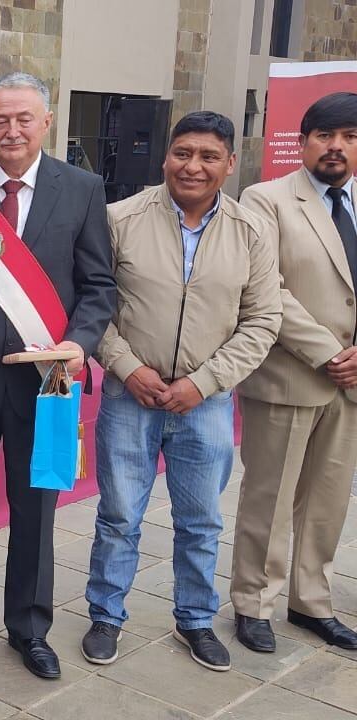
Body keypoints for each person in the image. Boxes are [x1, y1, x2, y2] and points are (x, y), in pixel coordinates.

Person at [0, 72, 115, 679]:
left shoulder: (83, 189)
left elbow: (98, 287)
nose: (12, 130)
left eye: (24, 118)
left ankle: (30, 629)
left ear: (47, 121)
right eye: (0, 120)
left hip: (47, 387)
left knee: (36, 514)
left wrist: (78, 345)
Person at [82, 111, 281, 671]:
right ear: (166, 156)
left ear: (229, 164)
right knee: (119, 515)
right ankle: (106, 614)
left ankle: (195, 619)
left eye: (208, 157)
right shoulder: (119, 218)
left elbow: (262, 320)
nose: (193, 166)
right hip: (130, 397)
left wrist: (204, 382)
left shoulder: (251, 233)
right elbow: (94, 306)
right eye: (183, 153)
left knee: (201, 520)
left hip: (206, 403)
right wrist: (126, 367)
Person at [230, 91, 357, 654]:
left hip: (351, 386)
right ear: (302, 142)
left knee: (328, 500)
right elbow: (265, 288)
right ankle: (253, 603)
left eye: (350, 137)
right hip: (289, 374)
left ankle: (312, 602)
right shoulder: (266, 199)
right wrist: (330, 351)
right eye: (326, 136)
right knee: (271, 497)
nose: (337, 147)